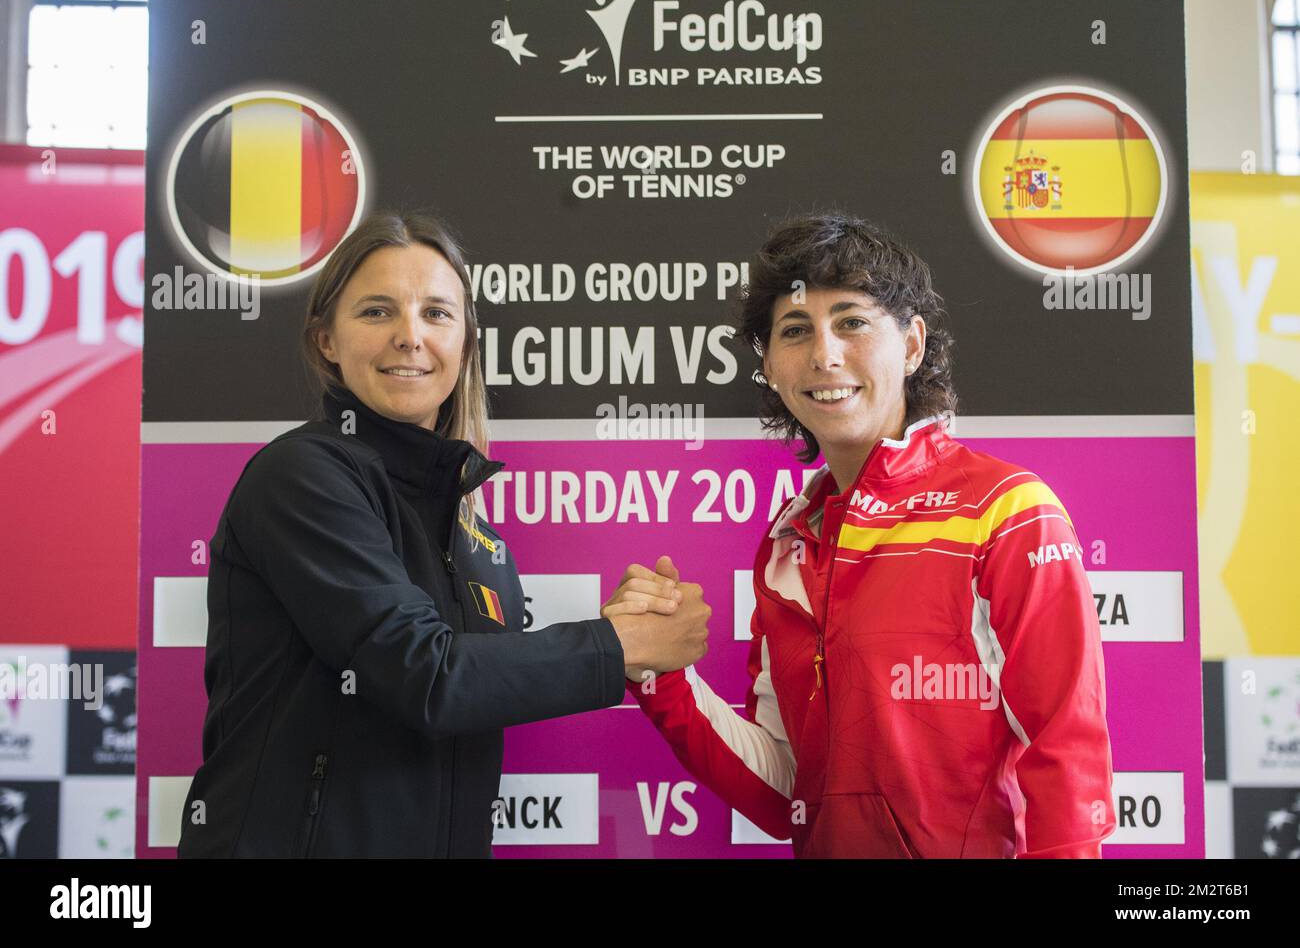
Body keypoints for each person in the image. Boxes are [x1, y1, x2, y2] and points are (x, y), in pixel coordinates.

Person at [178, 211, 708, 858]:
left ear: (464, 343)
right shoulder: (302, 476)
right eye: (377, 312)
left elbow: (477, 687)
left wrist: (623, 628)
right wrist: (613, 646)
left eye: (436, 313)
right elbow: (425, 677)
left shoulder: (474, 535)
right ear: (326, 341)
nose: (410, 336)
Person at [606, 212, 1116, 858]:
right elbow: (786, 793)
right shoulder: (788, 543)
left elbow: (1065, 746)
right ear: (770, 364)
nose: (825, 354)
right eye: (795, 330)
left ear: (911, 345)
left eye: (852, 321)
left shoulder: (1006, 510)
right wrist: (663, 677)